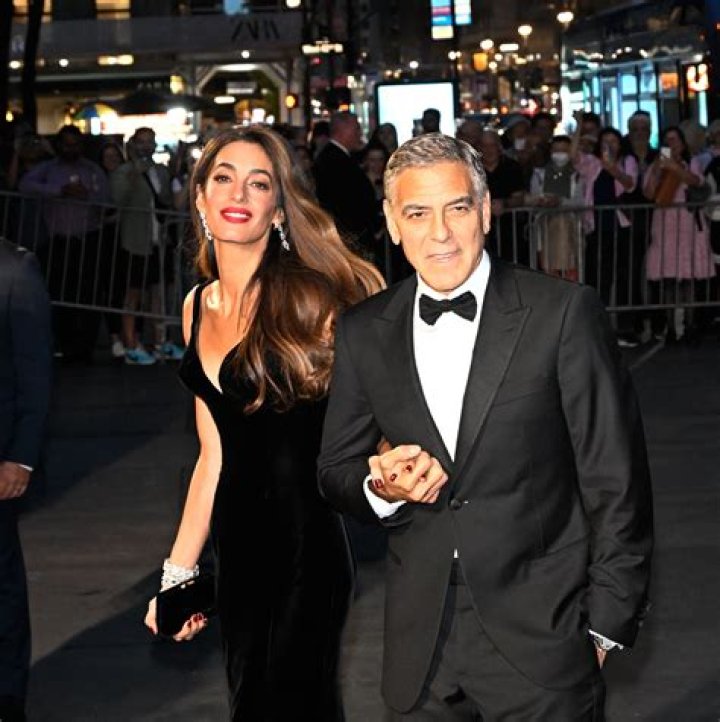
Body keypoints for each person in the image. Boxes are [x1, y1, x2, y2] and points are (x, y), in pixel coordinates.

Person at [318, 132, 653, 720]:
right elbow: (335, 470)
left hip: (544, 635)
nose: (440, 233)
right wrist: (382, 486)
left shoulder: (560, 313)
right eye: (417, 214)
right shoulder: (365, 330)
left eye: (457, 208)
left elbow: (615, 476)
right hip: (420, 647)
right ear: (392, 223)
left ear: (486, 211)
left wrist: (606, 622)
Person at [144, 126, 382, 721]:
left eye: (259, 183)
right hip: (238, 550)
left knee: (291, 705)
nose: (238, 193)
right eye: (223, 178)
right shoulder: (196, 306)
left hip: (308, 546)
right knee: (249, 699)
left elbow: (375, 408)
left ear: (278, 208)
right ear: (200, 198)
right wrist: (178, 573)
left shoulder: (311, 300)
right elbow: (212, 455)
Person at [0, 240, 52, 722]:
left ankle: (7, 695)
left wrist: (20, 457)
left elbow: (36, 374)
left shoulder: (15, 271)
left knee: (2, 586)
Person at [19, 124, 110, 362]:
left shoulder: (91, 169)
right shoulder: (48, 169)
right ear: (59, 145)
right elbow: (25, 185)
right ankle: (64, 344)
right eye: (67, 144)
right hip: (57, 242)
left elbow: (105, 196)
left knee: (89, 294)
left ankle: (85, 347)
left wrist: (86, 194)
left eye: (75, 144)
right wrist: (58, 190)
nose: (71, 149)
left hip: (87, 240)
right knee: (60, 294)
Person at [111, 127, 183, 365]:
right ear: (133, 144)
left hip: (158, 241)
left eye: (150, 142)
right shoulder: (123, 172)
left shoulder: (160, 171)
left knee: (158, 293)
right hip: (134, 240)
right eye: (141, 142)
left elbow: (168, 201)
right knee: (133, 293)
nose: (146, 147)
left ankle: (160, 342)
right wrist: (134, 173)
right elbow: (118, 199)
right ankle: (131, 344)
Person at [643, 125, 715, 343]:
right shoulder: (656, 165)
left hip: (687, 223)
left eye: (674, 140)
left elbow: (696, 181)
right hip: (665, 223)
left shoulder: (691, 162)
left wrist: (675, 166)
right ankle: (671, 328)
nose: (671, 144)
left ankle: (689, 326)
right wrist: (659, 169)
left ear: (683, 143)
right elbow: (648, 193)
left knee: (688, 276)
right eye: (667, 140)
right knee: (668, 278)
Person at [313, 111, 378, 264]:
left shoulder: (337, 157)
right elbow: (347, 204)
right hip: (349, 241)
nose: (359, 133)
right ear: (344, 130)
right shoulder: (335, 161)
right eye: (357, 128)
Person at [528, 134, 585, 280]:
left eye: (564, 150)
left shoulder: (577, 176)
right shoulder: (539, 174)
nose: (560, 154)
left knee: (571, 270)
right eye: (556, 150)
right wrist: (542, 201)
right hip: (544, 230)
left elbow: (579, 201)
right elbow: (534, 197)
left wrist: (560, 202)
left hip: (570, 230)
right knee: (548, 270)